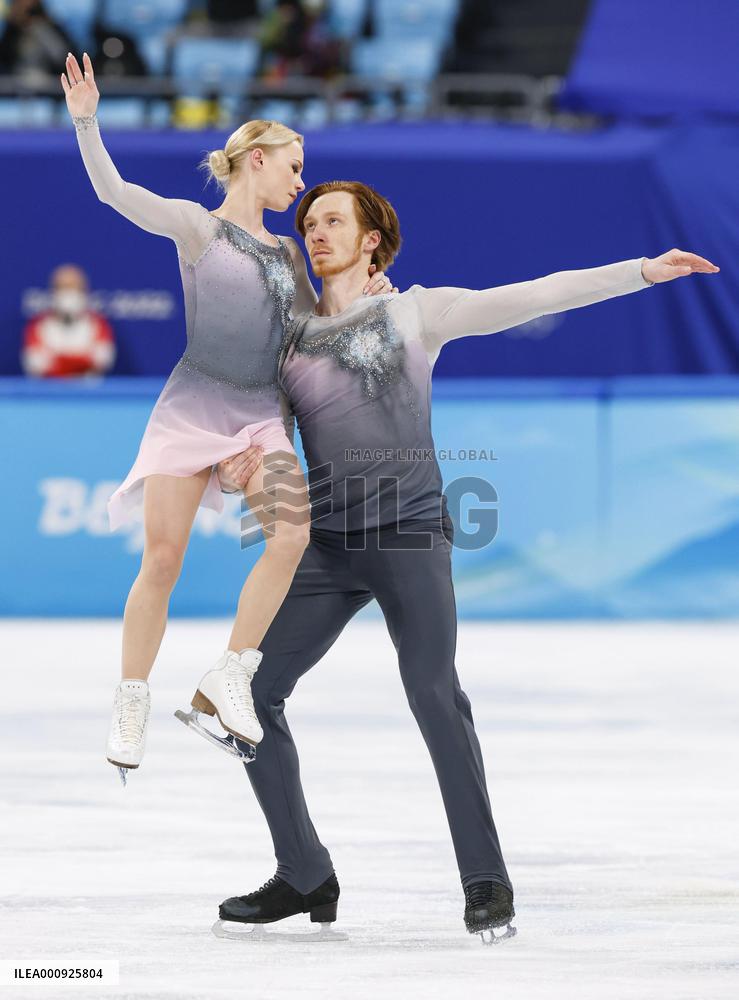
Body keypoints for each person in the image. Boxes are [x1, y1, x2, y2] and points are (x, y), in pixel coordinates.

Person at [215, 181, 719, 940]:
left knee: (433, 694)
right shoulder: (286, 336)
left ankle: (485, 880)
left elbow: (534, 293)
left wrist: (638, 270)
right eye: (308, 222)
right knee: (247, 695)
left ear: (371, 240)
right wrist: (237, 461)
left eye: (332, 222)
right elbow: (253, 427)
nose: (315, 234)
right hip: (326, 542)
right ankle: (303, 871)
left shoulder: (415, 311)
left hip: (409, 534)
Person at [59, 54, 393, 782]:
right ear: (259, 160)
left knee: (292, 534)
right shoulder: (196, 229)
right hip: (193, 408)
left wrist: (367, 292)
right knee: (163, 560)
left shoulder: (287, 253)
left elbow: (314, 334)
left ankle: (231, 672)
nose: (301, 182)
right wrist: (87, 121)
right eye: (294, 166)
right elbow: (114, 193)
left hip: (259, 419)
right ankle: (132, 696)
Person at [21, 264, 115, 378]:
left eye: (74, 288)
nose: (68, 293)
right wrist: (81, 361)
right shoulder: (37, 326)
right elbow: (35, 363)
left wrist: (58, 361)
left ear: (84, 291)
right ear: (53, 291)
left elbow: (103, 359)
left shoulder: (98, 324)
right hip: (48, 391)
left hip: (88, 392)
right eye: (62, 287)